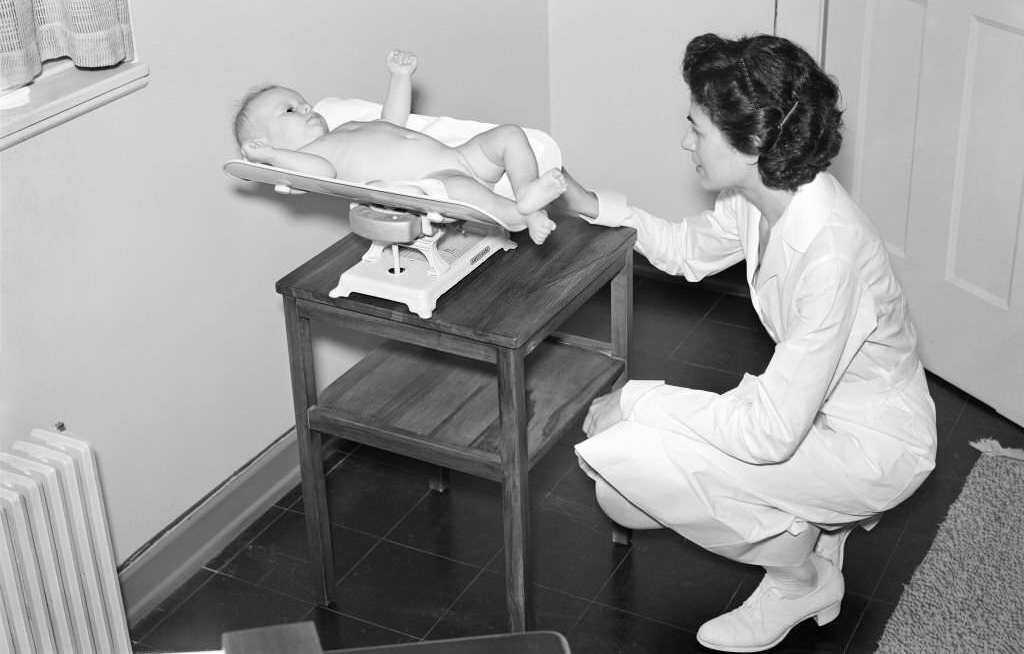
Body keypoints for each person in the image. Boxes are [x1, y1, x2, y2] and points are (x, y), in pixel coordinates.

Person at [560, 33, 937, 652]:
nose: (687, 141)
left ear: (755, 142)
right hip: (811, 412)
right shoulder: (763, 199)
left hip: (872, 446)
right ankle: (811, 523)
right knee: (622, 483)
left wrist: (639, 398)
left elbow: (769, 431)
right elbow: (684, 252)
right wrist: (589, 203)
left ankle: (800, 580)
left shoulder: (830, 253)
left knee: (624, 465)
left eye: (698, 128)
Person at [233, 49, 567, 244]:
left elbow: (392, 121)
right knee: (463, 189)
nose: (306, 108)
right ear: (267, 142)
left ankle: (526, 192)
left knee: (508, 134)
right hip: (439, 179)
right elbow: (321, 174)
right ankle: (518, 216)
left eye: (303, 102)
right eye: (290, 110)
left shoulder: (346, 128)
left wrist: (399, 77)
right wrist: (273, 157)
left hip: (460, 156)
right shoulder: (314, 156)